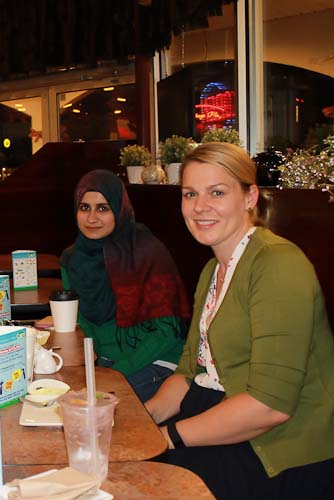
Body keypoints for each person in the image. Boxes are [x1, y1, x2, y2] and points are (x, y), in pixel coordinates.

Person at [145, 143, 334, 500]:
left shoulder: (278, 264)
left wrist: (167, 437)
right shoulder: (212, 270)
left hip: (279, 448)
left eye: (217, 192)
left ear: (250, 197)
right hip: (221, 419)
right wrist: (141, 421)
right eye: (190, 194)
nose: (200, 206)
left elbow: (270, 406)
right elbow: (188, 372)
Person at [59, 169, 190, 401]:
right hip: (107, 364)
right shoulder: (73, 260)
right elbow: (83, 325)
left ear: (119, 210)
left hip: (158, 361)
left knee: (97, 405)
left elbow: (167, 333)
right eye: (84, 207)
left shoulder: (147, 252)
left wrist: (115, 374)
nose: (92, 218)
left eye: (103, 208)